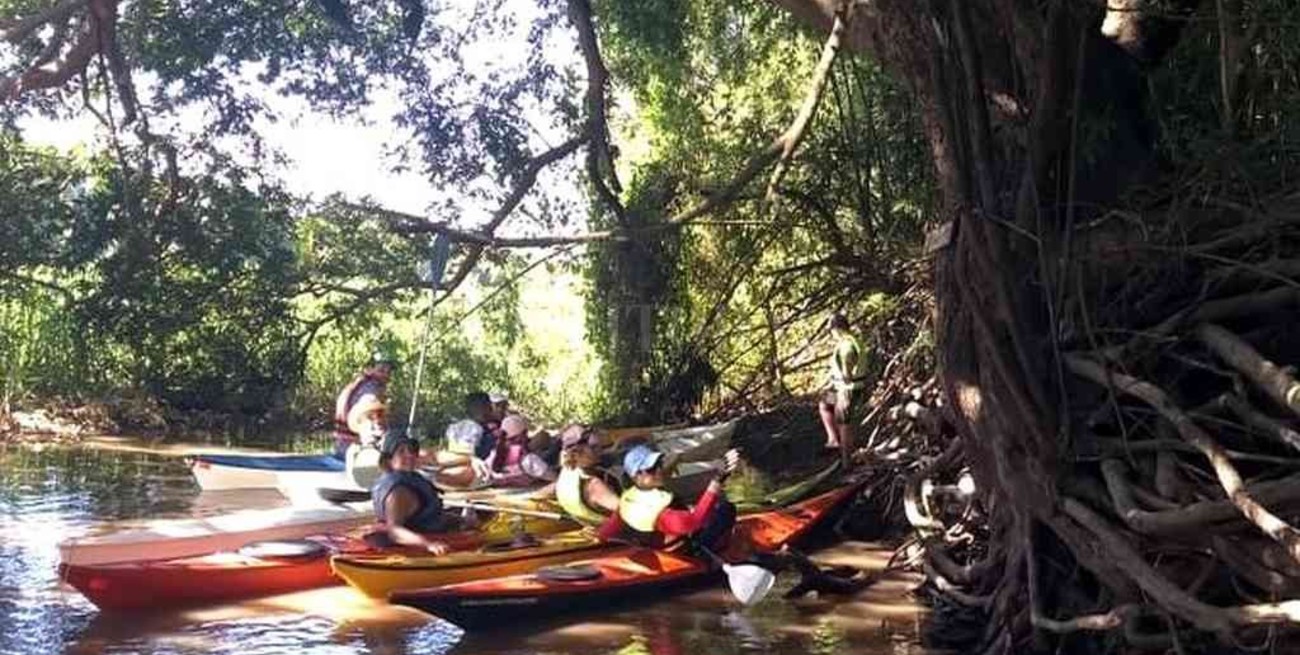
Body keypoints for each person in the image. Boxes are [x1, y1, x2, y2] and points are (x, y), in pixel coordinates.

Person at [597, 444, 739, 550]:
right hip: (685, 550)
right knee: (726, 509)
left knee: (689, 505)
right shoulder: (657, 509)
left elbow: (605, 533)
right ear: (636, 476)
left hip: (659, 544)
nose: (659, 470)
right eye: (651, 469)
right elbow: (694, 521)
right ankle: (716, 551)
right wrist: (717, 481)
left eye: (659, 464)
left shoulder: (628, 499)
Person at [370, 429, 451, 554]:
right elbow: (394, 531)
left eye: (412, 450)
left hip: (432, 530)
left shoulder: (409, 478)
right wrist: (428, 544)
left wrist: (458, 519)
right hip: (420, 544)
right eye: (401, 451)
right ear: (388, 460)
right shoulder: (398, 492)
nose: (410, 455)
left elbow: (428, 515)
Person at [531, 425, 620, 526]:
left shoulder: (566, 475)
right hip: (608, 529)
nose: (600, 451)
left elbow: (545, 491)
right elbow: (626, 511)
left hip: (587, 525)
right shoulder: (595, 486)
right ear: (579, 452)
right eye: (594, 447)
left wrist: (531, 496)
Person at [818, 312, 869, 462]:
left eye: (831, 330)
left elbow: (848, 367)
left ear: (837, 329)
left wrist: (845, 376)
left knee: (843, 422)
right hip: (845, 387)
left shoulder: (846, 344)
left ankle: (846, 461)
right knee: (825, 403)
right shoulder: (852, 340)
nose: (831, 334)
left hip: (848, 389)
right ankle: (833, 440)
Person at [333, 350, 397, 458]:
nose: (386, 375)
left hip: (341, 447)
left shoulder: (360, 384)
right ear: (370, 368)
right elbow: (372, 425)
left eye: (389, 371)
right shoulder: (371, 390)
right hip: (356, 451)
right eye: (381, 370)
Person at [464, 391, 500, 460]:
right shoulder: (463, 430)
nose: (490, 409)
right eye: (484, 406)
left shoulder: (494, 429)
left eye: (488, 406)